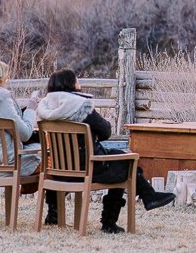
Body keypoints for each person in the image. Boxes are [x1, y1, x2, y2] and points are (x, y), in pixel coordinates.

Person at [36, 69, 176, 232]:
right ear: (71, 84)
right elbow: (106, 132)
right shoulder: (81, 105)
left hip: (58, 170)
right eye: (77, 80)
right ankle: (110, 222)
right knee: (126, 166)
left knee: (120, 157)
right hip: (88, 169)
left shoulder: (44, 108)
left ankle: (53, 215)